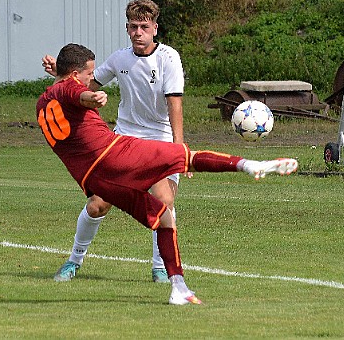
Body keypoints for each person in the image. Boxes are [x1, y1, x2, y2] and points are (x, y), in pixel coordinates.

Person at [36, 43, 298, 305]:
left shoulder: (43, 102)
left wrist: (65, 78)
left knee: (162, 217)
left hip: (96, 180)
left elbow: (65, 90)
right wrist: (93, 98)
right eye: (89, 74)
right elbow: (78, 93)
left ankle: (178, 287)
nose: (92, 80)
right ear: (74, 75)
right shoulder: (74, 88)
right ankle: (249, 165)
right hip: (116, 154)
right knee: (185, 157)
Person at [42, 0, 185, 284]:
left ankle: (160, 268)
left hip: (159, 140)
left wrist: (179, 149)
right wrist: (61, 74)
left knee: (164, 200)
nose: (138, 33)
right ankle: (74, 261)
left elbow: (175, 106)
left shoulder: (169, 58)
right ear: (127, 28)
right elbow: (85, 86)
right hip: (122, 141)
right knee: (98, 204)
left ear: (155, 29)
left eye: (144, 27)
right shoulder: (119, 59)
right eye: (133, 27)